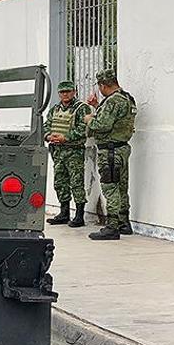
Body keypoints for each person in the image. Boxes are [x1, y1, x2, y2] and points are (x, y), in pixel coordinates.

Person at [84, 69, 136, 240]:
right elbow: (116, 119)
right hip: (121, 148)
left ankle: (112, 227)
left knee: (110, 186)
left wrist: (89, 119)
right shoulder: (127, 98)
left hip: (110, 151)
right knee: (121, 187)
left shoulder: (113, 101)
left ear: (103, 85)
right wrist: (98, 106)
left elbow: (102, 125)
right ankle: (123, 223)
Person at [44, 80, 92, 227]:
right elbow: (47, 125)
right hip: (58, 151)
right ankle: (64, 213)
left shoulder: (82, 108)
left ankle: (79, 215)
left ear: (74, 92)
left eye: (68, 91)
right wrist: (48, 136)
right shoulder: (55, 109)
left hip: (73, 151)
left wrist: (66, 137)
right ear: (59, 93)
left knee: (76, 183)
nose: (65, 94)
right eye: (62, 92)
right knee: (60, 182)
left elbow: (84, 129)